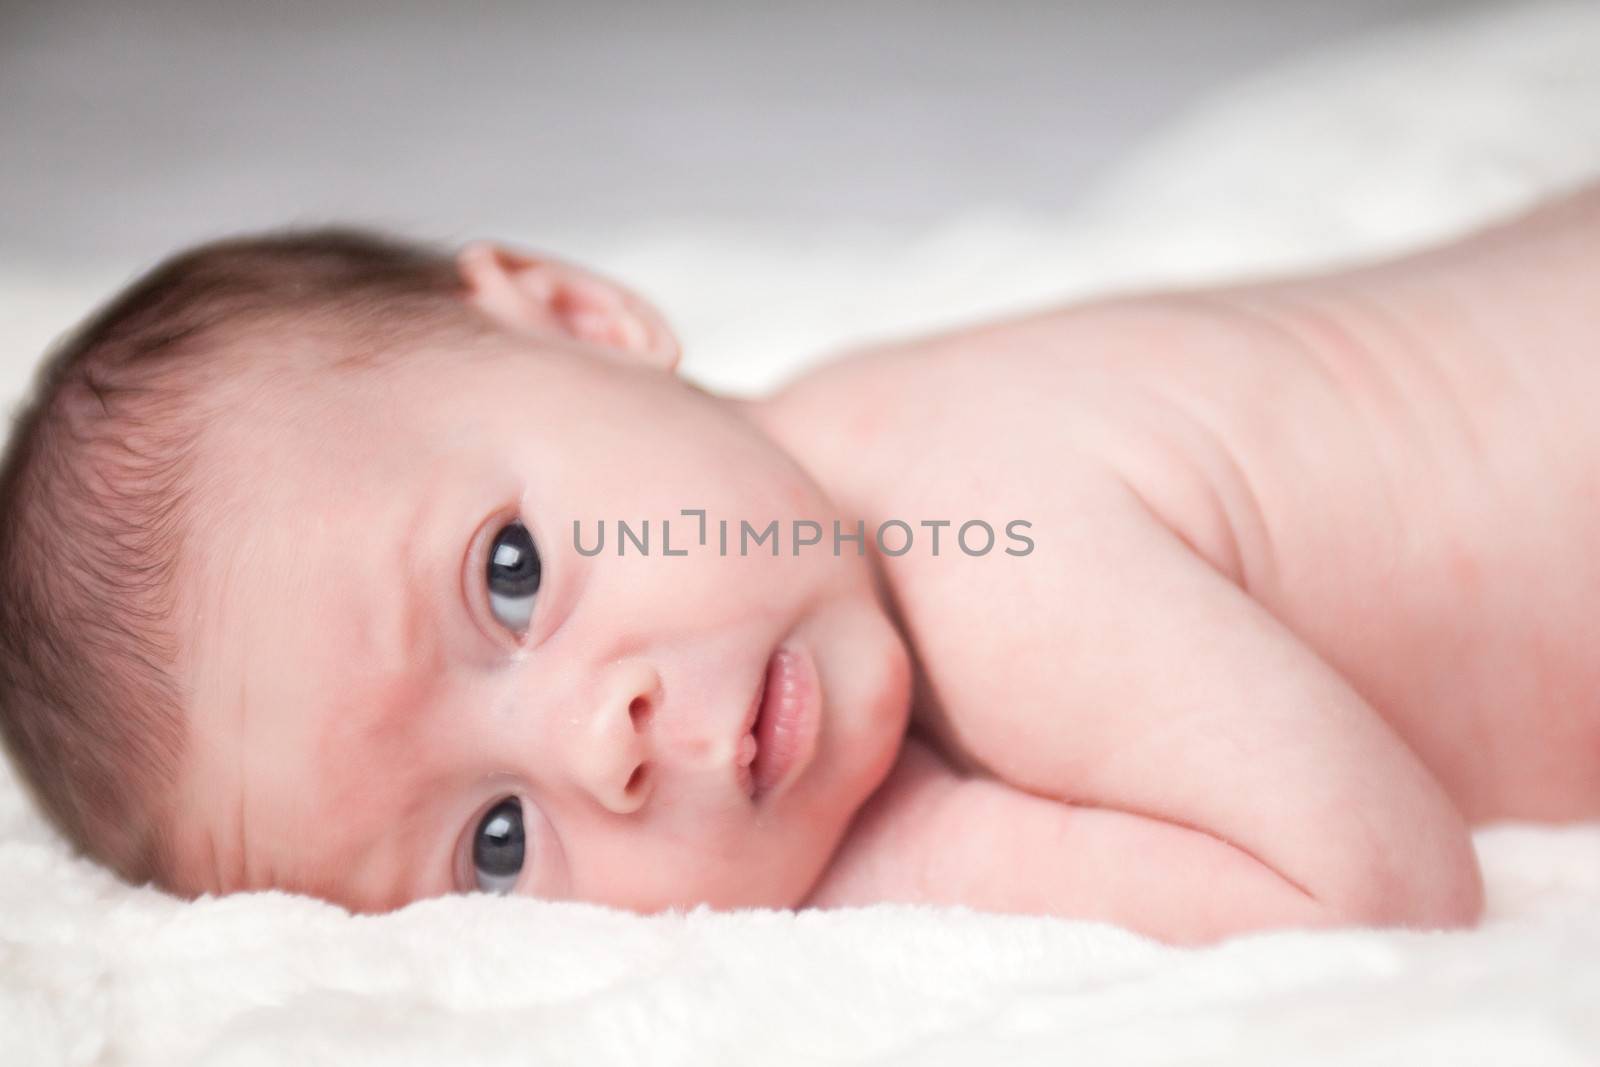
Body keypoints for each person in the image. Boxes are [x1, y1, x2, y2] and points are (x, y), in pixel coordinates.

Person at [6, 182, 1600, 945]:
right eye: (496, 845)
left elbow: (1377, 893)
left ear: (580, 318)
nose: (601, 745)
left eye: (507, 577)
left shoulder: (981, 532)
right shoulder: (813, 515)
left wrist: (911, 852)